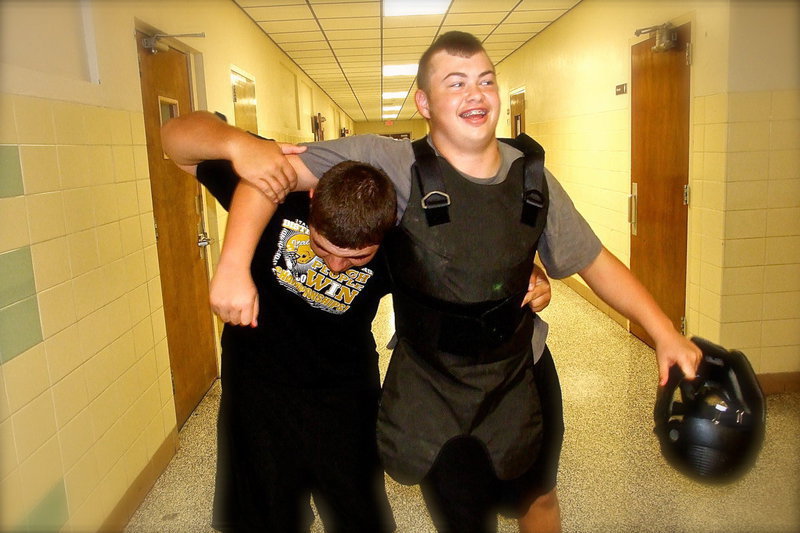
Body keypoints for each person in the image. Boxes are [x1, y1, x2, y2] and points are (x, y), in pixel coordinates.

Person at [163, 30, 701, 533]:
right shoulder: (382, 163)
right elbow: (255, 172)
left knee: (516, 496)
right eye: (455, 82)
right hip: (339, 386)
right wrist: (239, 160)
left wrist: (651, 327)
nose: (476, 93)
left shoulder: (512, 182)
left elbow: (579, 260)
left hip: (456, 377)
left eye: (485, 79)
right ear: (423, 103)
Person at [162, 121, 554, 532]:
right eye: (322, 247)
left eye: (356, 259)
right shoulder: (279, 190)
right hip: (257, 390)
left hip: (345, 396)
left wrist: (531, 276)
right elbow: (175, 139)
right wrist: (238, 145)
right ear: (311, 197)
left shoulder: (405, 245)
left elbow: (479, 263)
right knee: (263, 518)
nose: (335, 265)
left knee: (359, 519)